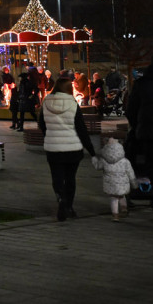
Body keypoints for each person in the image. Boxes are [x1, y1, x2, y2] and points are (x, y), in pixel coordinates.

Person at [38, 77, 96, 221]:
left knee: (57, 176)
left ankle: (60, 198)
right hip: (72, 148)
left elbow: (41, 123)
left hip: (53, 147)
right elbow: (81, 128)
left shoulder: (46, 101)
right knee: (70, 178)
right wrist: (91, 150)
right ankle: (69, 206)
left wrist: (49, 135)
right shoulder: (73, 103)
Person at [126, 52, 153, 186]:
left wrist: (138, 125)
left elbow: (131, 110)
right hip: (148, 129)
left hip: (148, 132)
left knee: (151, 163)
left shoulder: (142, 84)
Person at [92, 139, 137, 221]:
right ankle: (124, 209)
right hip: (123, 184)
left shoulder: (104, 161)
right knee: (122, 196)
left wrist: (94, 159)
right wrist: (134, 184)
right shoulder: (125, 161)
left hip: (111, 184)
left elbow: (97, 167)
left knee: (114, 199)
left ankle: (115, 216)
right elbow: (131, 173)